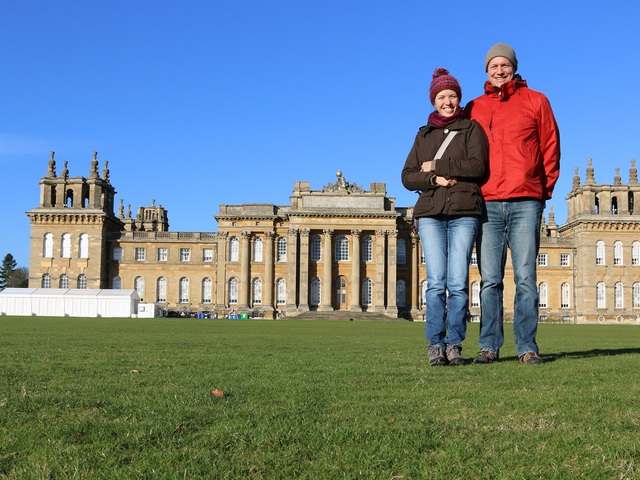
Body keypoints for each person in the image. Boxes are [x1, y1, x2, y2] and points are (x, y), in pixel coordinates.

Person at [465, 43, 561, 365]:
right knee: (490, 279)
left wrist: (541, 191)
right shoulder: (474, 107)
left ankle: (527, 347)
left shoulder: (536, 100)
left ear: (514, 68)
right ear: (487, 70)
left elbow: (550, 148)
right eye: (494, 66)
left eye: (505, 65)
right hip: (488, 201)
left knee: (525, 278)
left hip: (526, 199)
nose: (499, 70)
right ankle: (488, 346)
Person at [402, 68, 488, 366]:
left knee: (459, 282)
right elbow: (408, 176)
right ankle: (435, 345)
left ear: (459, 99)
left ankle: (455, 344)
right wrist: (433, 180)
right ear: (433, 101)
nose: (447, 102)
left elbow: (478, 167)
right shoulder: (423, 134)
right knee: (436, 282)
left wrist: (437, 165)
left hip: (465, 211)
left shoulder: (472, 129)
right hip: (431, 213)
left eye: (452, 96)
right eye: (442, 96)